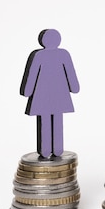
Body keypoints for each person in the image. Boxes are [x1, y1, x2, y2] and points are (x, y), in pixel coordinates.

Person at [20, 29, 80, 158]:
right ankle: (55, 149)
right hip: (58, 94)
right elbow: (70, 73)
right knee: (55, 120)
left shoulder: (40, 55)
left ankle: (47, 149)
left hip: (43, 95)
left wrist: (27, 91)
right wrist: (74, 87)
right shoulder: (62, 54)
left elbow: (32, 75)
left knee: (48, 121)